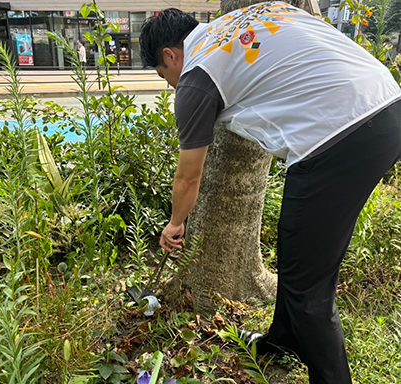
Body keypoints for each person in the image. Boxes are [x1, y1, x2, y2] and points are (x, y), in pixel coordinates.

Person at [139, 2, 401, 383]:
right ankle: (283, 340)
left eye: (165, 76)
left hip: (337, 137)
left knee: (308, 294)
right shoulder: (242, 20)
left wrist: (174, 224)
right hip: (386, 104)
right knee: (297, 253)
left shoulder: (196, 77)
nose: (171, 84)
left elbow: (187, 178)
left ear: (170, 55)